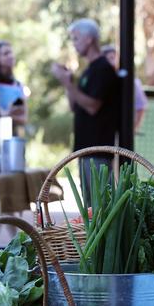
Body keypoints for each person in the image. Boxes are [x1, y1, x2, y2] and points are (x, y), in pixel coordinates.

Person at [51, 18, 121, 204]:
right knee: (89, 206)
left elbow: (92, 106)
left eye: (75, 38)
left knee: (101, 206)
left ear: (89, 39)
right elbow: (76, 105)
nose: (73, 44)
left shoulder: (103, 69)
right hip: (85, 150)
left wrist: (67, 83)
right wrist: (69, 83)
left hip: (98, 150)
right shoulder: (89, 70)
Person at [101, 44, 148, 133]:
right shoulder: (101, 81)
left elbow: (141, 107)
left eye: (115, 58)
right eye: (110, 58)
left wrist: (132, 129)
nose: (113, 61)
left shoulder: (130, 81)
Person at [0, 40, 28, 137]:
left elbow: (24, 118)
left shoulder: (18, 86)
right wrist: (10, 114)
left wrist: (7, 115)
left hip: (15, 138)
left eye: (11, 53)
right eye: (6, 53)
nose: (11, 56)